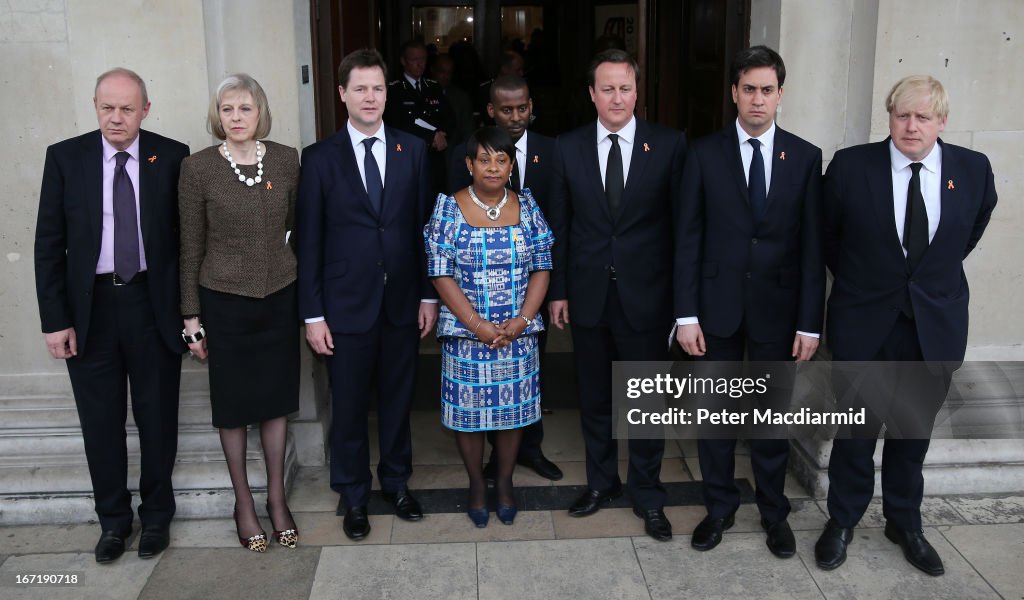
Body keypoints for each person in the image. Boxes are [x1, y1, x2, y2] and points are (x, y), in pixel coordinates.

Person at [813, 75, 997, 576]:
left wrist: (924, 280)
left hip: (932, 325)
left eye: (923, 117)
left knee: (912, 436)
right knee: (855, 434)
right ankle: (843, 521)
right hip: (865, 323)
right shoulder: (851, 167)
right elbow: (828, 237)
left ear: (942, 121)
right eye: (902, 115)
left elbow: (970, 229)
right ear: (889, 116)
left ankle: (904, 522)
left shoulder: (973, 169)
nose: (911, 126)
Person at [34, 67, 189, 563]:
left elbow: (187, 242)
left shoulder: (171, 156)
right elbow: (48, 245)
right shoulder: (65, 158)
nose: (116, 118)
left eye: (127, 108)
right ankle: (114, 523)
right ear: (95, 105)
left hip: (152, 306)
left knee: (158, 418)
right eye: (107, 107)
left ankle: (157, 517)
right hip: (90, 310)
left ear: (146, 109)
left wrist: (191, 314)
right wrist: (55, 320)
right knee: (100, 423)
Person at [675, 46, 824, 558]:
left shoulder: (805, 158)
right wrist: (686, 314)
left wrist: (810, 321)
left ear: (781, 94)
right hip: (714, 308)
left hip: (778, 312)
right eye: (748, 89)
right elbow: (687, 238)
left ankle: (773, 513)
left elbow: (812, 247)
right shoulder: (702, 153)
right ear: (733, 93)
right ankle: (718, 509)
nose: (757, 99)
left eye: (767, 90)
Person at [297, 48, 438, 541]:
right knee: (351, 406)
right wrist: (312, 314)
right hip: (344, 307)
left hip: (402, 302)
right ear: (342, 95)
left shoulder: (412, 151)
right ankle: (354, 494)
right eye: (360, 88)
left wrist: (428, 296)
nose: (370, 97)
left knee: (399, 402)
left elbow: (425, 230)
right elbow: (309, 241)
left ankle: (397, 484)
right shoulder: (316, 160)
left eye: (378, 88)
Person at [547, 49, 687, 542]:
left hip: (647, 299)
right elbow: (559, 228)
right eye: (607, 88)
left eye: (625, 87)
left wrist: (680, 303)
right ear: (591, 94)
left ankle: (647, 494)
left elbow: (681, 230)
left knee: (647, 405)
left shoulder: (669, 145)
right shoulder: (567, 148)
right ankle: (601, 484)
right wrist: (558, 290)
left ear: (637, 91)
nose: (617, 97)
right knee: (596, 400)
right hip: (587, 295)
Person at [178, 74, 300, 552]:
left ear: (260, 112)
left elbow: (295, 226)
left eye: (245, 109)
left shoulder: (288, 160)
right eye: (227, 109)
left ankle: (276, 498)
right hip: (223, 301)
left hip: (279, 295)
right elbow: (191, 246)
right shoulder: (198, 168)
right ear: (218, 115)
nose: (235, 118)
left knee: (274, 400)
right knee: (232, 407)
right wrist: (191, 318)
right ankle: (243, 503)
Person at [425, 126, 553, 527]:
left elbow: (542, 265)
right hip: (467, 335)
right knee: (470, 414)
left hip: (518, 334)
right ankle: (477, 483)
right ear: (469, 164)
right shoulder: (448, 208)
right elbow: (440, 273)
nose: (493, 167)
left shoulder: (528, 205)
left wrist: (521, 320)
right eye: (485, 159)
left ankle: (505, 481)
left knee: (512, 412)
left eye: (501, 160)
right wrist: (478, 325)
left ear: (511, 165)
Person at [448, 75, 563, 482]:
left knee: (529, 378)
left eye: (522, 108)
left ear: (532, 107)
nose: (516, 117)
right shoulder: (461, 160)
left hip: (531, 296)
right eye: (506, 109)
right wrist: (476, 322)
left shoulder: (554, 150)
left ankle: (527, 451)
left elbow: (559, 226)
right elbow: (443, 251)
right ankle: (491, 466)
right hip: (473, 305)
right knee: (478, 392)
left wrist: (550, 296)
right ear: (491, 110)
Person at [384, 39, 456, 196]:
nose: (419, 64)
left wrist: (442, 135)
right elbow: (398, 123)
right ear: (403, 61)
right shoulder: (394, 90)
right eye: (414, 59)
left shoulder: (433, 86)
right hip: (408, 157)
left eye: (422, 59)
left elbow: (449, 118)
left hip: (436, 157)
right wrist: (430, 137)